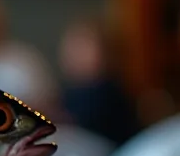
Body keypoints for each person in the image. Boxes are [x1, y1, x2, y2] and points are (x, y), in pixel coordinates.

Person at [57, 18, 140, 147]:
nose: (75, 55)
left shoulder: (107, 91)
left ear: (108, 52)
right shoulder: (70, 90)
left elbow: (77, 120)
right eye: (71, 47)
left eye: (83, 47)